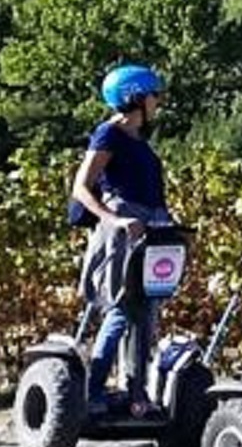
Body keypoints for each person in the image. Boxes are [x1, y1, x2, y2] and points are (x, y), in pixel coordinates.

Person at [71, 63, 177, 411]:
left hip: (150, 229)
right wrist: (114, 220)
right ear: (134, 97)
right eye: (153, 95)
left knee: (146, 312)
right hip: (124, 231)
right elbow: (82, 188)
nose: (158, 102)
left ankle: (136, 394)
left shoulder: (139, 142)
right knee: (122, 307)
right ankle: (93, 391)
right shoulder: (109, 134)